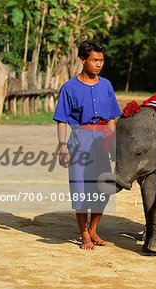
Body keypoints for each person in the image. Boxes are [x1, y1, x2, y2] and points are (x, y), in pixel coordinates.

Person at [53, 40, 121, 250]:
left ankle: (93, 229)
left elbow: (112, 117)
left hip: (102, 141)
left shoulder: (106, 85)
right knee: (81, 188)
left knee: (104, 187)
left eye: (101, 60)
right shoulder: (69, 88)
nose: (99, 64)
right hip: (80, 140)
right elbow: (62, 119)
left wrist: (111, 141)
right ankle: (84, 234)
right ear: (83, 60)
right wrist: (63, 146)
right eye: (94, 60)